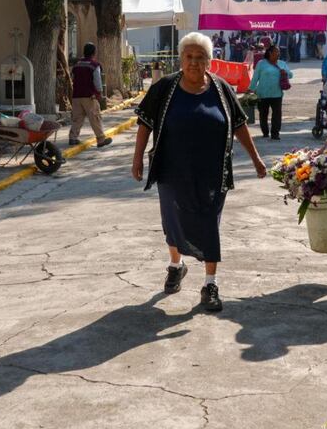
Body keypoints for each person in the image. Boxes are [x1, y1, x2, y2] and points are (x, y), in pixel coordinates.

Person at [132, 32, 266, 312]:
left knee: (208, 224)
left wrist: (256, 159)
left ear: (209, 61)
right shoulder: (164, 88)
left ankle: (210, 284)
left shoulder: (221, 88)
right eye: (188, 56)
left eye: (200, 57)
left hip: (212, 172)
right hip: (171, 169)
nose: (193, 62)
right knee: (173, 220)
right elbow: (145, 124)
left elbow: (239, 124)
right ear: (181, 59)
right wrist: (137, 160)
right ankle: (176, 265)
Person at [68, 42, 112, 148]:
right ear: (94, 53)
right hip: (89, 96)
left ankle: (73, 138)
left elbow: (73, 78)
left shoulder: (77, 65)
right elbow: (97, 81)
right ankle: (101, 139)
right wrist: (99, 93)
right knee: (95, 117)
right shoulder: (94, 65)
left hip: (76, 95)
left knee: (77, 118)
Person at [248, 44, 292, 140]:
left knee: (277, 115)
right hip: (262, 94)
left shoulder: (282, 63)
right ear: (270, 53)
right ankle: (265, 132)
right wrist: (250, 89)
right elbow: (255, 77)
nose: (278, 54)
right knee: (263, 114)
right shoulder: (261, 63)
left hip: (277, 94)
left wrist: (285, 72)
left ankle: (275, 134)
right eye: (276, 52)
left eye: (279, 52)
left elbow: (291, 75)